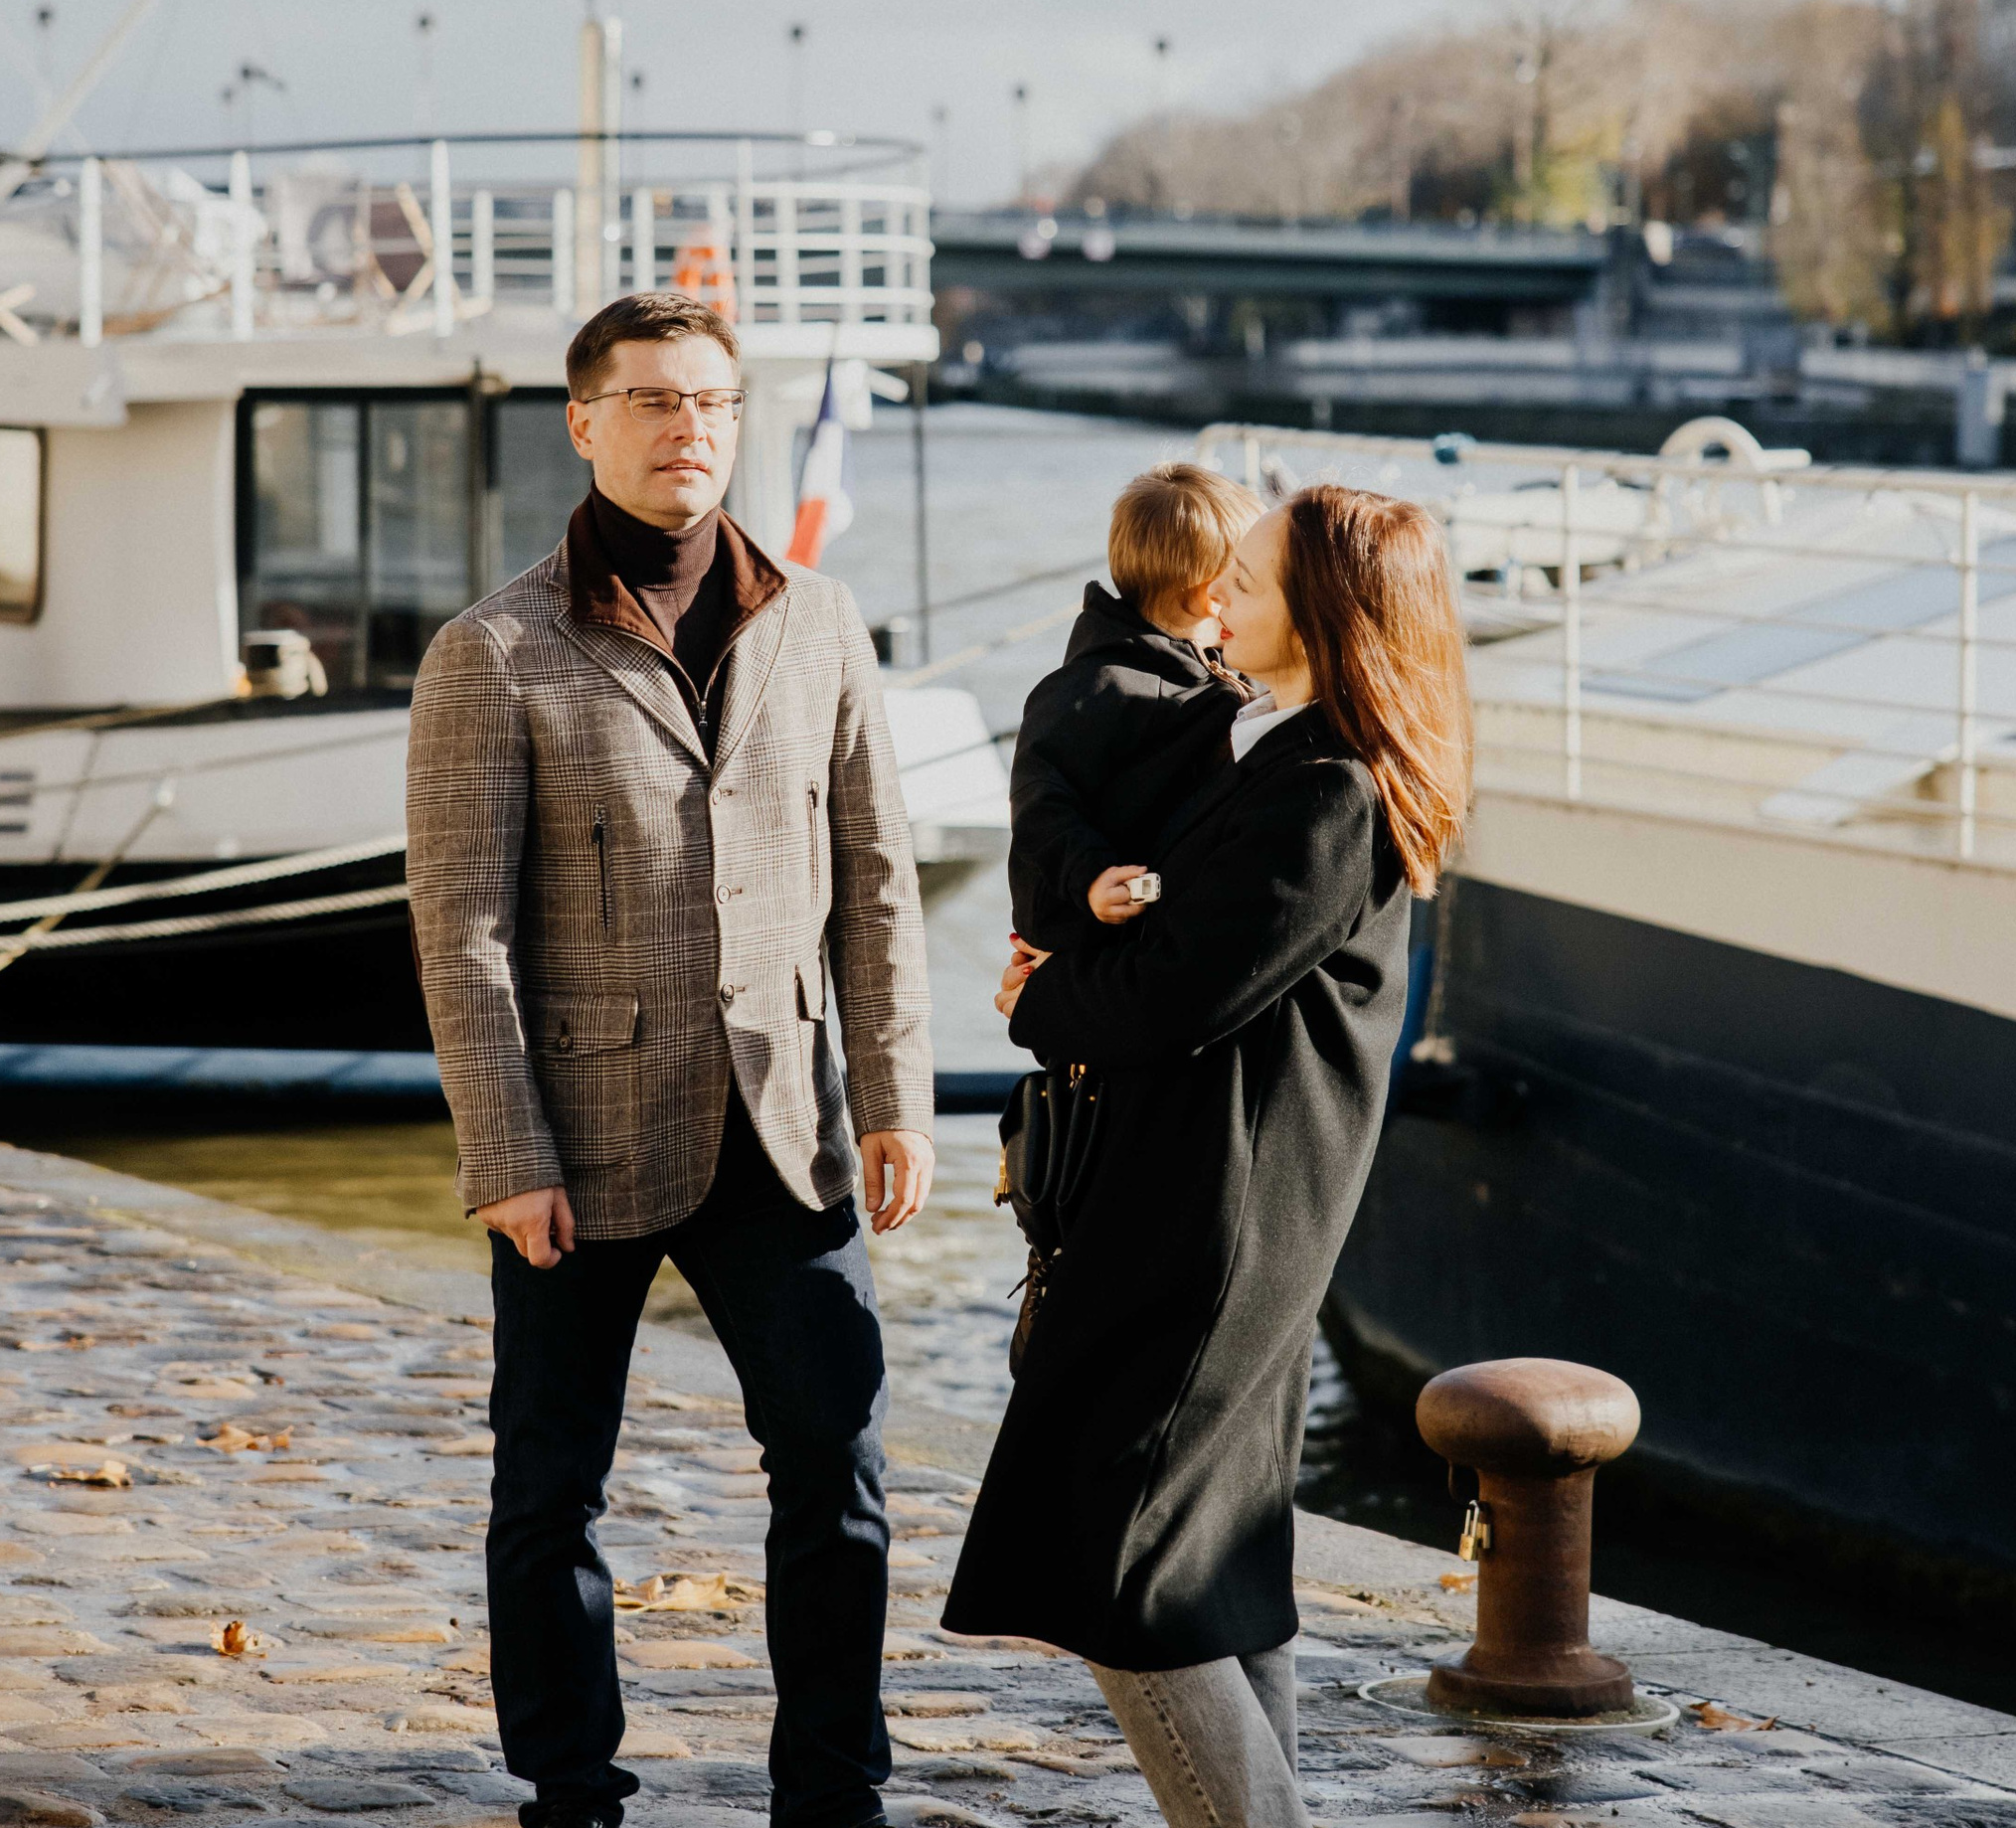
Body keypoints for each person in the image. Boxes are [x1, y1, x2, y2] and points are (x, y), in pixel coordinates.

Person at [406, 290, 935, 1828]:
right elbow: (463, 928)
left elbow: (876, 878)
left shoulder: (818, 622)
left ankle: (832, 1788)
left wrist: (895, 1096)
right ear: (584, 424)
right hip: (578, 1138)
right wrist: (507, 1155)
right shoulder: (494, 651)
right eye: (650, 399)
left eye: (710, 400)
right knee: (549, 1486)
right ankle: (570, 1787)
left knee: (837, 1464)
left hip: (784, 1119)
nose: (685, 426)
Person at [944, 483, 1472, 1828]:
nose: (1218, 589)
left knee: (1125, 1568)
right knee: (1214, 1564)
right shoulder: (1277, 752)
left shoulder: (1329, 789)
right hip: (1213, 1199)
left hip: (1216, 1218)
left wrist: (1037, 997)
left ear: (1328, 611)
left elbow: (1178, 994)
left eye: (1250, 574)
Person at [1006, 461, 1260, 953]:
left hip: (1153, 922)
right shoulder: (1097, 686)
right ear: (1212, 595)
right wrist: (1090, 875)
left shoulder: (1216, 671)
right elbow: (1039, 797)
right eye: (1246, 579)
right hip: (1093, 921)